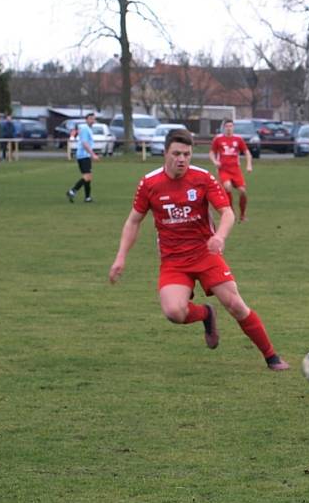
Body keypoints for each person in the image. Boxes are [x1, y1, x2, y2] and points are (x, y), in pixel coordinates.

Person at [108, 128, 289, 371]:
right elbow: (133, 221)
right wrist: (121, 257)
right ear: (165, 153)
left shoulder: (202, 178)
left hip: (206, 254)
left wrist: (220, 236)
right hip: (173, 260)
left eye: (186, 154)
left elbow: (227, 213)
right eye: (176, 154)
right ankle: (205, 314)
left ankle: (271, 357)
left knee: (235, 304)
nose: (181, 159)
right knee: (174, 312)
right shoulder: (149, 183)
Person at [209, 119, 252, 222]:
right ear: (223, 127)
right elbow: (211, 153)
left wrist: (249, 165)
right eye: (227, 126)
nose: (229, 128)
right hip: (223, 169)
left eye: (231, 126)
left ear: (233, 127)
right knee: (227, 187)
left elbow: (247, 152)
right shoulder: (218, 139)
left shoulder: (238, 139)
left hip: (235, 170)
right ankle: (231, 213)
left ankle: (242, 215)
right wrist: (215, 161)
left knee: (242, 191)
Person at [66, 113, 99, 202]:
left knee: (88, 176)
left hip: (85, 155)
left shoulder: (88, 129)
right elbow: (84, 143)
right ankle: (72, 191)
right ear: (86, 120)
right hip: (83, 155)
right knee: (87, 176)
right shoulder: (85, 129)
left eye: (93, 119)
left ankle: (87, 197)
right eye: (90, 119)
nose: (92, 120)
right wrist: (93, 154)